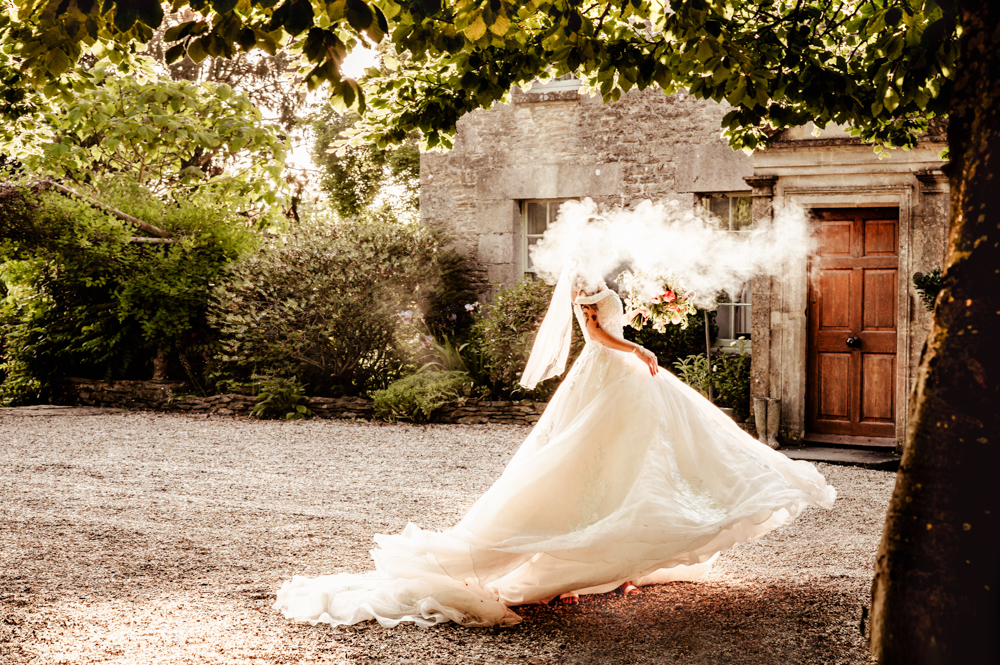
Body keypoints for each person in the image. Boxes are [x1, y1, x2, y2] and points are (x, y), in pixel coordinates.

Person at [273, 266, 836, 628]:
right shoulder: (585, 282)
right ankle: (588, 538)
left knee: (642, 449)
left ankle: (624, 536)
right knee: (594, 454)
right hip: (611, 370)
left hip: (617, 372)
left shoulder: (599, 279)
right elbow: (595, 333)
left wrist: (641, 314)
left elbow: (604, 319)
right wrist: (636, 345)